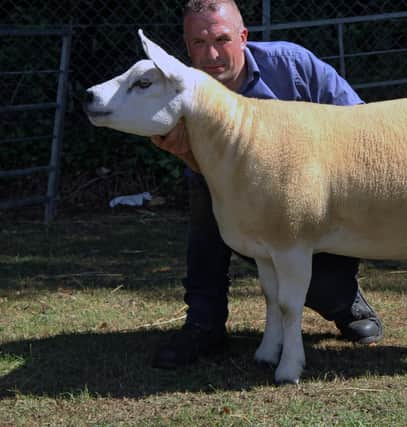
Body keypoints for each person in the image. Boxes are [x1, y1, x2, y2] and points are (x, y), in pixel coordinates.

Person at [151, 0, 383, 369]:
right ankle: (203, 323)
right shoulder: (181, 92)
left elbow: (361, 125)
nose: (211, 54)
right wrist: (185, 152)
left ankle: (345, 302)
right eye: (198, 43)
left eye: (221, 39)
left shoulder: (293, 65)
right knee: (205, 198)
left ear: (243, 37)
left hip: (318, 202)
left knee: (328, 289)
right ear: (186, 45)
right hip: (235, 203)